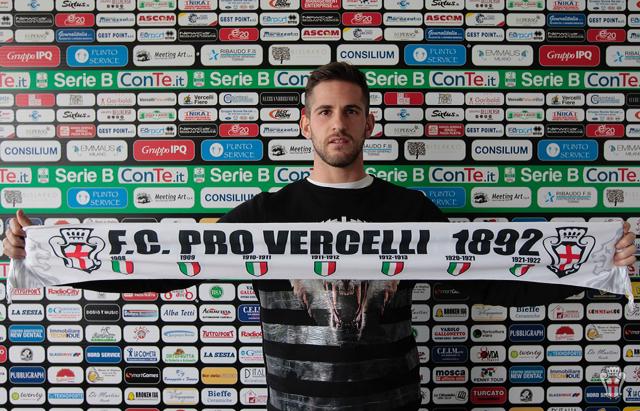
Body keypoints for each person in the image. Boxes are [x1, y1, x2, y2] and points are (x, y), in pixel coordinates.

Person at [4, 62, 637, 411]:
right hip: (294, 406)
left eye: (351, 110)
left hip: (393, 404)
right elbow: (165, 265)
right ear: (305, 124)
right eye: (326, 111)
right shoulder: (267, 213)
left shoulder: (408, 209)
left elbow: (491, 281)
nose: (340, 123)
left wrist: (596, 270)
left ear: (369, 123)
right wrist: (50, 259)